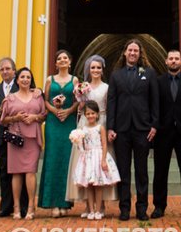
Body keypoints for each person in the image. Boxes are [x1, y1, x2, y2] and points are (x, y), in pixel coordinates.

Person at [105, 38, 159, 221]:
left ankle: (142, 209)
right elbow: (111, 102)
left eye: (136, 50)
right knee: (123, 170)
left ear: (140, 53)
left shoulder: (148, 73)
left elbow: (155, 100)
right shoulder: (116, 75)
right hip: (121, 129)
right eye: (130, 50)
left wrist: (154, 125)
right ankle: (125, 208)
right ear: (125, 53)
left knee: (142, 171)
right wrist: (110, 127)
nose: (133, 53)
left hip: (143, 128)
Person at [66, 55, 117, 217]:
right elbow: (79, 108)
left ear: (102, 70)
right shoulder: (84, 87)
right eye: (93, 68)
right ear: (88, 69)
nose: (95, 70)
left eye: (98, 68)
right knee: (85, 165)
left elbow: (110, 107)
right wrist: (80, 104)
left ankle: (101, 205)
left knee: (99, 167)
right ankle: (88, 205)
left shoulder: (106, 88)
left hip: (101, 123)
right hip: (85, 125)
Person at [152, 48, 181, 219]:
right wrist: (154, 126)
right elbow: (153, 106)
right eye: (171, 58)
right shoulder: (158, 82)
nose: (173, 61)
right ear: (166, 61)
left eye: (176, 58)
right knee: (160, 171)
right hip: (163, 132)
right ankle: (159, 206)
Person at [0, 66, 46, 220]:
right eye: (22, 77)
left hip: (32, 138)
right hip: (16, 139)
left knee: (31, 171)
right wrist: (15, 118)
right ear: (17, 80)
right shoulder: (10, 98)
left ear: (31, 80)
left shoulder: (37, 96)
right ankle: (17, 207)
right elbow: (3, 120)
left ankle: (31, 207)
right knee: (16, 173)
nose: (25, 80)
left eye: (28, 77)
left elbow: (44, 115)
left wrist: (34, 117)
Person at [39, 49, 79, 216]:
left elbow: (77, 101)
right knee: (53, 158)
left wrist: (68, 111)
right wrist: (55, 111)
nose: (62, 60)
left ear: (70, 61)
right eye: (59, 58)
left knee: (67, 160)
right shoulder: (50, 79)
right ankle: (52, 202)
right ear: (55, 63)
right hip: (53, 122)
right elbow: (45, 100)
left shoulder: (74, 80)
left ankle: (65, 202)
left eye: (65, 58)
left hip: (68, 122)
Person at [0, 56, 27, 218]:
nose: (5, 71)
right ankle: (5, 206)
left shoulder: (22, 85)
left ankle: (23, 206)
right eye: (2, 69)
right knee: (5, 171)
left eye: (8, 69)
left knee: (20, 171)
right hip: (2, 135)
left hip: (19, 134)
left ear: (14, 70)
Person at [72, 100, 120, 220]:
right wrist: (77, 141)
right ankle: (91, 210)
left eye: (93, 113)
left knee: (98, 185)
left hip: (98, 157)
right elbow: (83, 145)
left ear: (97, 114)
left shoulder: (100, 128)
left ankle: (98, 210)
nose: (90, 116)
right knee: (89, 185)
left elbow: (104, 145)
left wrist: (103, 160)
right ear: (85, 115)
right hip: (87, 159)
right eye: (88, 114)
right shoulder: (83, 129)